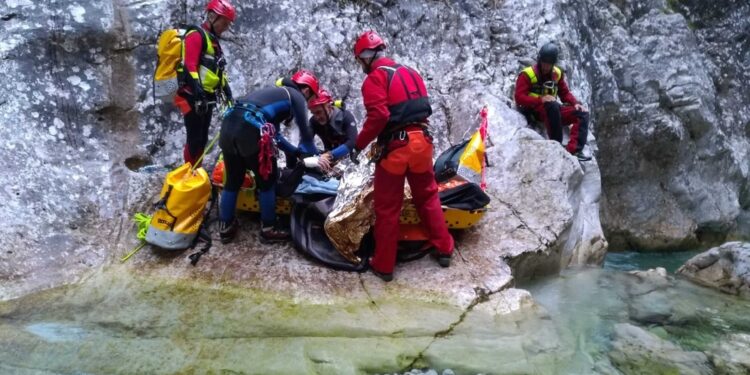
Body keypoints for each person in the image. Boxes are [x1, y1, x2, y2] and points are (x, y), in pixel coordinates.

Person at [351, 30, 454, 282]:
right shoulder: (412, 72)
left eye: (359, 61)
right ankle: (444, 249)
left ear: (365, 57)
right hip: (423, 141)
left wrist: (359, 144)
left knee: (387, 208)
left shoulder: (375, 78)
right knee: (428, 197)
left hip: (397, 148)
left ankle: (384, 265)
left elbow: (380, 116)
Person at [217, 71, 318, 244]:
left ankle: (225, 227)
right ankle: (269, 229)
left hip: (229, 125)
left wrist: (294, 152)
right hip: (250, 129)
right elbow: (306, 133)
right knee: (268, 180)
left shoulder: (273, 95)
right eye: (310, 100)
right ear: (307, 91)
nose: (307, 104)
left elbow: (275, 135)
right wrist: (313, 157)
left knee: (233, 180)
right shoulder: (296, 96)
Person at [173, 0, 236, 167]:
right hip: (192, 96)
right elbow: (190, 64)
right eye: (224, 23)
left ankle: (196, 171)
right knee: (194, 138)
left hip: (207, 96)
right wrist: (197, 90)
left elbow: (218, 69)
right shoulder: (196, 34)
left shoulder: (213, 41)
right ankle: (188, 173)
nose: (226, 27)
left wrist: (226, 90)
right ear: (212, 16)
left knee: (202, 138)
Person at [514, 42, 591, 161]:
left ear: (553, 64)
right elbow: (519, 97)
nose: (545, 66)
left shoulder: (556, 74)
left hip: (553, 110)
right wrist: (540, 100)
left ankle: (574, 150)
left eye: (548, 64)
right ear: (540, 61)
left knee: (582, 113)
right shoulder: (527, 75)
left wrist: (575, 103)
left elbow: (564, 93)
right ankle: (557, 147)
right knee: (553, 105)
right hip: (535, 111)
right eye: (544, 63)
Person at [306, 88, 357, 171]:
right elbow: (305, 142)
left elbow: (352, 142)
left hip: (348, 158)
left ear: (329, 106)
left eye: (319, 112)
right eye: (313, 113)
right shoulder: (313, 121)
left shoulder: (346, 117)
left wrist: (329, 155)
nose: (317, 117)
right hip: (329, 156)